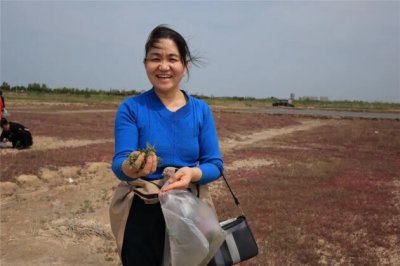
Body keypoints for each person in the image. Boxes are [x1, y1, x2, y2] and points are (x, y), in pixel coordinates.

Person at [111, 25, 224, 265]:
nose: (163, 66)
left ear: (185, 65)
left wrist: (192, 173)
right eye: (155, 58)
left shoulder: (201, 111)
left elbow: (215, 164)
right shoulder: (131, 109)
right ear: (145, 64)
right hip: (143, 211)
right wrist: (134, 166)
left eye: (172, 59)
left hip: (190, 209)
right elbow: (120, 163)